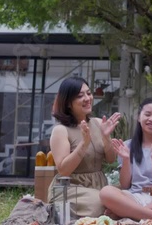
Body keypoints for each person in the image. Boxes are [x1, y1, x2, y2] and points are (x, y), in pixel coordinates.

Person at [48, 76, 121, 218]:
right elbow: (63, 169)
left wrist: (106, 138)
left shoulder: (100, 123)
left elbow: (111, 160)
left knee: (125, 198)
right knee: (103, 204)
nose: (87, 98)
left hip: (99, 186)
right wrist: (84, 144)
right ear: (68, 103)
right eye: (80, 96)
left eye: (89, 93)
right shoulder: (60, 130)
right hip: (70, 188)